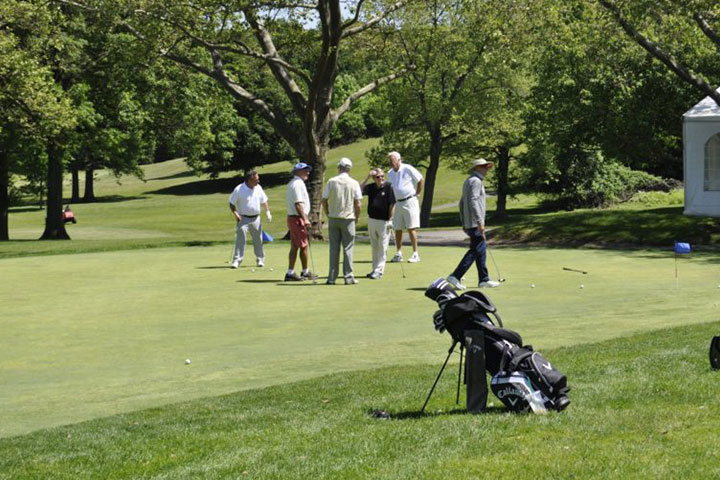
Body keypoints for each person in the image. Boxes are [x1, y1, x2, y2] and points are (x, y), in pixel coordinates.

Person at [446, 158, 501, 290]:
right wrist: (479, 222)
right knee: (476, 249)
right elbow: (473, 202)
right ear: (477, 168)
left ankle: (484, 279)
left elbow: (461, 203)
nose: (486, 169)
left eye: (487, 167)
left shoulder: (469, 181)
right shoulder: (476, 182)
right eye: (483, 167)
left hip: (470, 222)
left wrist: (464, 222)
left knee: (481, 251)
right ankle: (456, 275)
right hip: (475, 222)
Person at [322, 157, 363, 285]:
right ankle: (348, 277)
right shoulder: (354, 183)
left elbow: (324, 199)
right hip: (348, 219)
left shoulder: (331, 181)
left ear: (339, 167)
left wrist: (327, 213)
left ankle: (332, 278)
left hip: (334, 218)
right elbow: (358, 203)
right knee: (348, 248)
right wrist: (357, 216)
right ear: (349, 169)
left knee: (334, 249)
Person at [228, 171, 271, 269]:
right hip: (243, 218)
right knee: (240, 240)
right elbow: (231, 203)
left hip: (256, 218)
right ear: (249, 180)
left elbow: (264, 201)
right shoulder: (239, 189)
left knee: (258, 240)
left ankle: (260, 259)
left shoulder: (258, 188)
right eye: (256, 180)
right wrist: (236, 214)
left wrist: (267, 212)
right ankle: (237, 261)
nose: (258, 181)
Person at [386, 151, 423, 263]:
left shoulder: (407, 168)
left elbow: (420, 179)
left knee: (411, 228)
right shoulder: (390, 173)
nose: (390, 162)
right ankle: (399, 253)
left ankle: (415, 253)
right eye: (389, 160)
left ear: (398, 159)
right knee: (398, 228)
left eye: (392, 160)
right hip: (398, 202)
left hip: (409, 200)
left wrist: (417, 193)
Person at [360, 167, 395, 279]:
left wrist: (391, 219)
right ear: (374, 178)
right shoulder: (371, 187)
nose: (381, 179)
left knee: (383, 247)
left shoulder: (389, 186)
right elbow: (359, 190)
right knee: (374, 246)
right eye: (378, 177)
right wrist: (367, 177)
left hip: (384, 221)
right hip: (372, 220)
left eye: (382, 176)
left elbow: (392, 204)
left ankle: (379, 271)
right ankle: (374, 269)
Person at [285, 162, 317, 281]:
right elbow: (298, 204)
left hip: (294, 218)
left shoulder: (294, 183)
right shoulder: (298, 184)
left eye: (308, 170)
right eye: (305, 170)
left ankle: (297, 271)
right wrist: (305, 219)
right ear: (298, 172)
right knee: (302, 245)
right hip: (297, 218)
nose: (308, 172)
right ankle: (298, 272)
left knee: (297, 245)